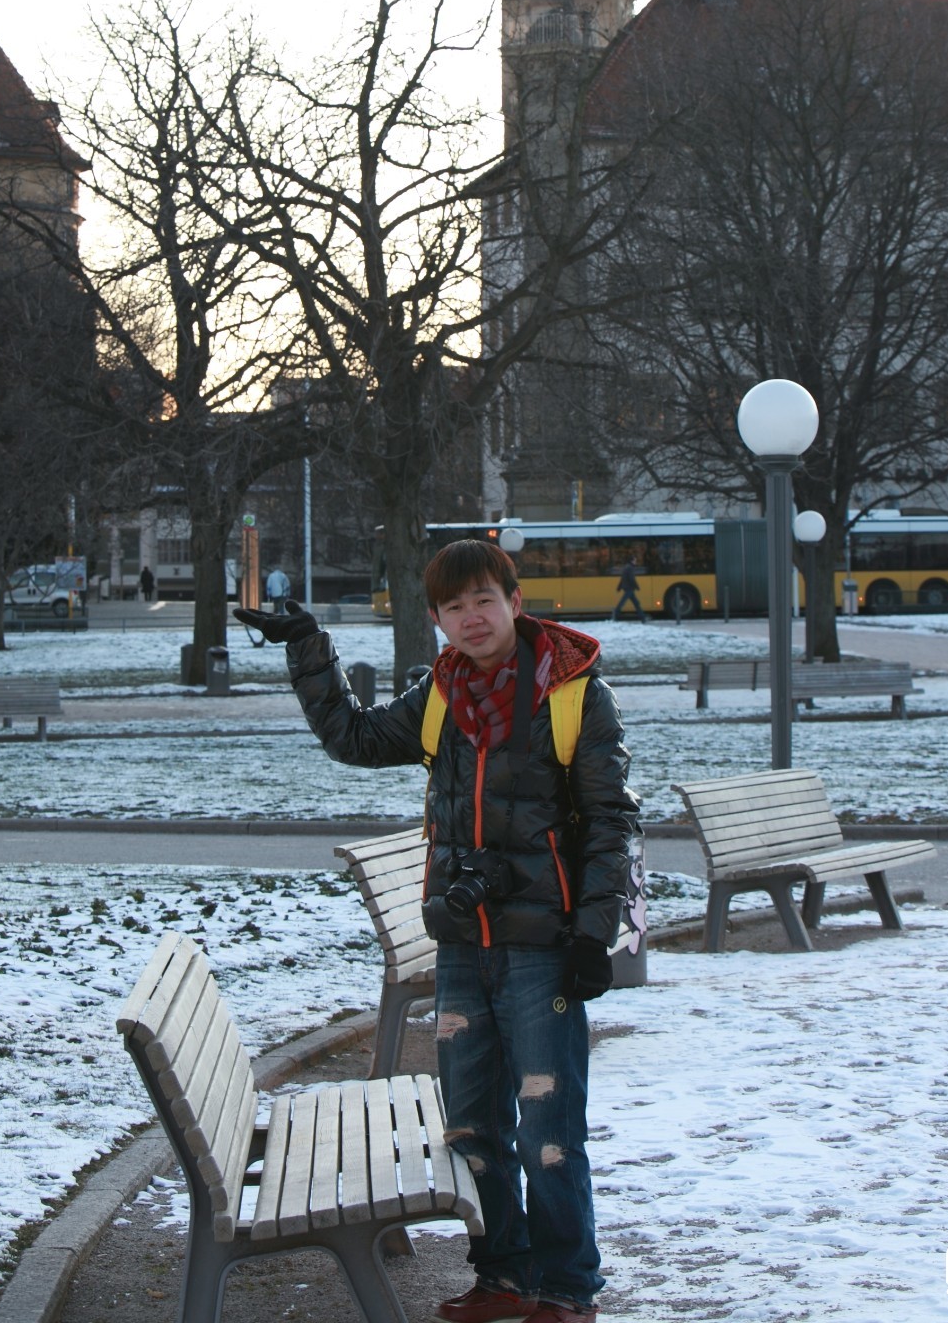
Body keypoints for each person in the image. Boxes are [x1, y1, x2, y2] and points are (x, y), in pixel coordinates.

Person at [236, 538, 639, 1323]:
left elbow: (611, 822)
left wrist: (592, 935)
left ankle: (565, 1288)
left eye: (484, 600)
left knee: (546, 1130)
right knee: (471, 1122)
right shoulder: (442, 695)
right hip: (462, 942)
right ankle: (504, 1274)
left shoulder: (571, 692)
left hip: (544, 950)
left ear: (514, 603)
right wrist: (307, 648)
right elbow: (352, 740)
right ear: (436, 621)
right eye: (453, 607)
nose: (471, 617)